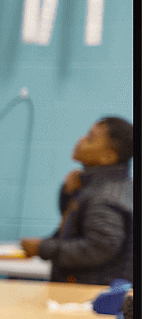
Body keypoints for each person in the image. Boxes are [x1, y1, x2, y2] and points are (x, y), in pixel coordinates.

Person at [20, 116, 133, 284]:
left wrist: (42, 248)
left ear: (108, 157)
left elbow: (99, 247)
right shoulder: (107, 187)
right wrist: (69, 193)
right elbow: (79, 225)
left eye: (90, 138)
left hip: (91, 298)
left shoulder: (105, 195)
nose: (81, 140)